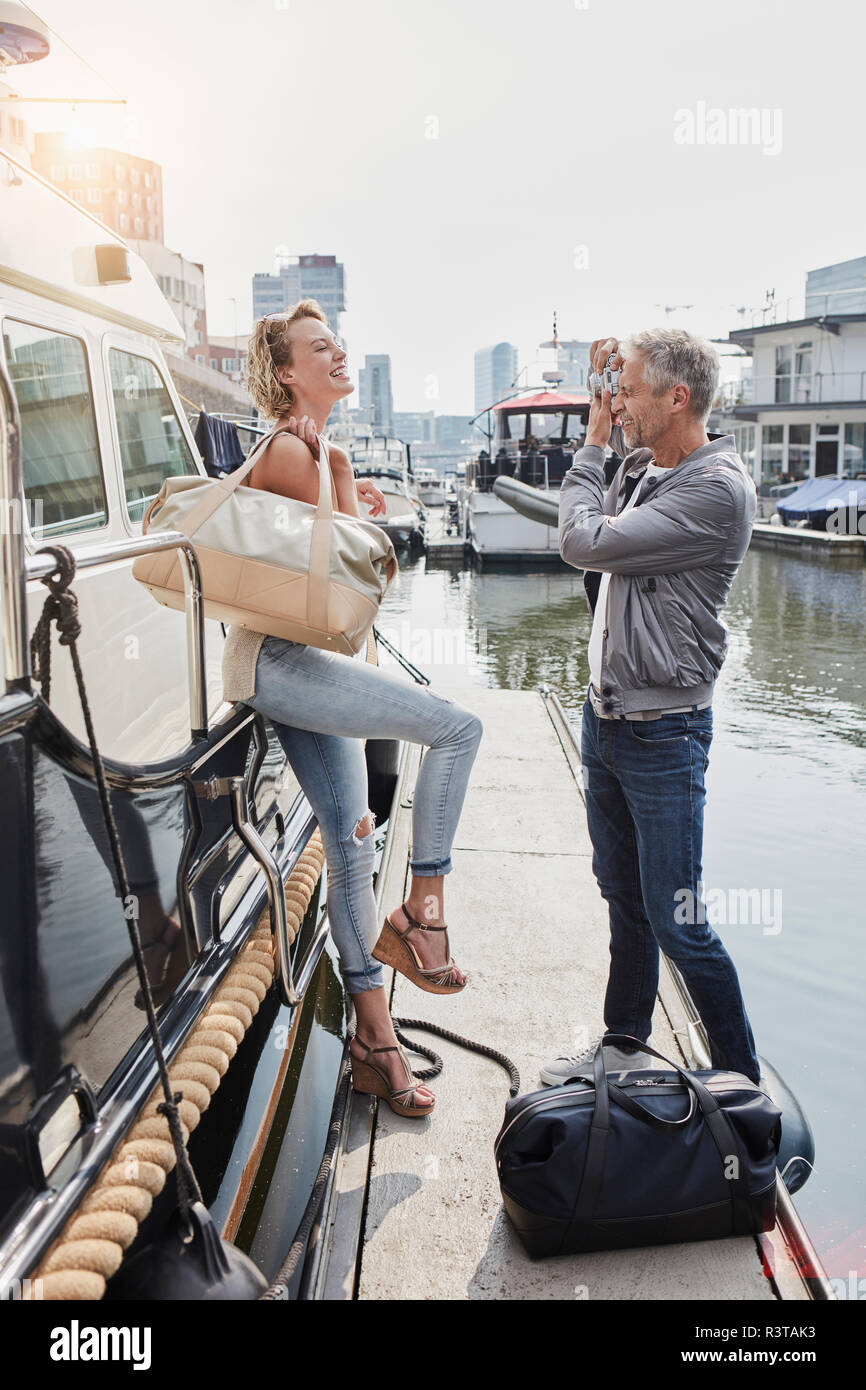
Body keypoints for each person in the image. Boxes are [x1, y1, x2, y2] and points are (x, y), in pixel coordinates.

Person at [224, 300, 483, 1117]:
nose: (338, 355)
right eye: (320, 347)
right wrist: (345, 497)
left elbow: (348, 593)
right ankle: (421, 916)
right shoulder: (292, 452)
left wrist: (341, 479)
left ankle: (377, 1042)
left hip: (300, 662)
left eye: (339, 344)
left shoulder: (318, 451)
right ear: (287, 371)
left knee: (349, 841)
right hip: (281, 661)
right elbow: (343, 595)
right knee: (456, 727)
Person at [542, 328, 761, 1086]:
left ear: (679, 397)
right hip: (605, 720)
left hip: (665, 733)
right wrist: (610, 384)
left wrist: (592, 442)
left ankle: (742, 1087)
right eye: (617, 389)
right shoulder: (643, 466)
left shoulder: (713, 489)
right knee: (625, 902)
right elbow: (599, 523)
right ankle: (621, 1049)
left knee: (678, 921)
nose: (617, 402)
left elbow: (581, 539)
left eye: (632, 391)